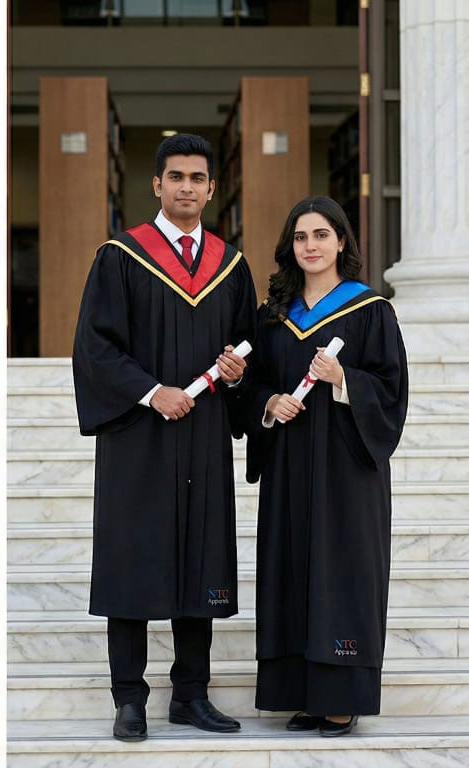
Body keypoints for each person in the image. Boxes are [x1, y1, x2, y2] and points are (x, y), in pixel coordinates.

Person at [72, 133, 257, 740]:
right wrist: (153, 392)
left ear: (212, 187)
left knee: (200, 557)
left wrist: (236, 372)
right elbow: (96, 347)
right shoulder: (121, 256)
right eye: (175, 176)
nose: (186, 187)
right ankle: (128, 698)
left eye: (197, 177)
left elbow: (246, 348)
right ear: (156, 184)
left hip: (203, 432)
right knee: (132, 560)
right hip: (138, 435)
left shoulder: (230, 266)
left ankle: (191, 695)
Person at [245, 195, 407, 736]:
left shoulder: (370, 310)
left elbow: (392, 391)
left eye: (320, 235)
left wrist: (344, 379)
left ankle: (341, 697)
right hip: (290, 464)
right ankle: (302, 693)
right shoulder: (274, 317)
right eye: (300, 237)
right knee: (291, 568)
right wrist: (269, 402)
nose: (310, 246)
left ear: (341, 241)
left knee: (342, 571)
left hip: (346, 469)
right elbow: (253, 385)